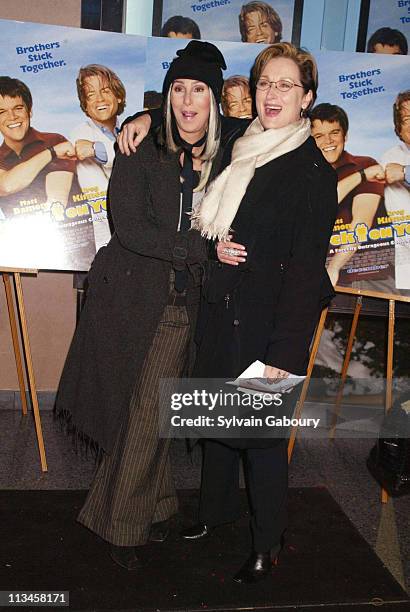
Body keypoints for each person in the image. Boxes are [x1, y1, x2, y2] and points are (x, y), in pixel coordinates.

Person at [117, 42, 337, 584]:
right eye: (266, 83)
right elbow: (191, 110)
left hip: (266, 325)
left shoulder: (312, 171)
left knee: (261, 442)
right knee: (218, 425)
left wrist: (286, 352)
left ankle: (269, 542)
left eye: (287, 85)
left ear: (307, 98)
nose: (273, 94)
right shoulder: (244, 140)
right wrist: (142, 115)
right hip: (221, 307)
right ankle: (213, 514)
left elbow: (309, 272)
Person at [55, 40, 226, 571]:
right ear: (168, 95)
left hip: (190, 304)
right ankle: (120, 528)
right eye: (178, 89)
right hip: (135, 299)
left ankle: (156, 505)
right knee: (147, 410)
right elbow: (129, 228)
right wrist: (198, 248)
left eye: (200, 90)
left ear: (216, 101)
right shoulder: (140, 148)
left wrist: (147, 110)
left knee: (155, 410)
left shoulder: (227, 150)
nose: (188, 100)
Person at [310, 103, 389, 290]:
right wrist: (361, 177)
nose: (328, 141)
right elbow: (317, 208)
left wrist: (334, 267)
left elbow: (361, 223)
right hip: (319, 276)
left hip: (366, 276)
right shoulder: (307, 177)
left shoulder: (365, 163)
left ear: (345, 135)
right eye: (319, 136)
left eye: (334, 133)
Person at [0, 76, 75, 221]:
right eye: (1, 112)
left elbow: (57, 202)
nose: (12, 117)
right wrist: (51, 153)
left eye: (18, 108)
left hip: (66, 235)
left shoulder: (54, 140)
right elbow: (5, 186)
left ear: (30, 111)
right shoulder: (55, 148)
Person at [70, 64, 126, 252]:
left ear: (118, 95)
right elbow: (115, 158)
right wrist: (95, 148)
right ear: (85, 105)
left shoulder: (127, 129)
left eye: (105, 91)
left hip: (126, 229)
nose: (99, 99)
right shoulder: (82, 132)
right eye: (91, 94)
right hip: (99, 235)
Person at [381, 90, 410, 290]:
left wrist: (405, 173)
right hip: (404, 260)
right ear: (399, 128)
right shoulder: (391, 156)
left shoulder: (399, 166)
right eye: (407, 118)